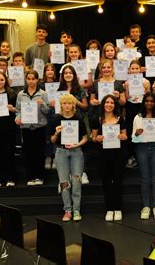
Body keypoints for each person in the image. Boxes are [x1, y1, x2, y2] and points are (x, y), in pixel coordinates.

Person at [50, 94, 88, 222]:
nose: (67, 105)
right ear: (61, 105)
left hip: (76, 151)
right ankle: (67, 210)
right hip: (61, 151)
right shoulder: (56, 119)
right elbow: (52, 140)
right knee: (64, 182)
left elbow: (85, 138)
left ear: (73, 105)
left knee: (76, 181)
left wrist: (77, 144)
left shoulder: (78, 119)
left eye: (69, 103)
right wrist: (56, 132)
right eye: (64, 103)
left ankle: (76, 209)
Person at [92, 95, 128, 221]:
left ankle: (118, 209)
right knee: (106, 182)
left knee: (118, 181)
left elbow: (125, 135)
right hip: (103, 155)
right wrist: (97, 139)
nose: (109, 104)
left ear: (115, 105)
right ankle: (109, 209)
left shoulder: (120, 119)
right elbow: (93, 137)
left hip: (118, 155)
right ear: (103, 104)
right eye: (107, 102)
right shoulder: (98, 119)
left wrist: (123, 137)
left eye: (112, 102)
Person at [132, 93, 155, 220]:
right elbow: (134, 139)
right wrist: (136, 134)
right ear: (143, 102)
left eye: (151, 101)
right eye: (147, 101)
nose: (149, 103)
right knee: (145, 178)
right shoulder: (138, 117)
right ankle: (146, 206)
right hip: (142, 148)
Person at [15, 70, 50, 186]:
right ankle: (30, 176)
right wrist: (18, 118)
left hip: (39, 127)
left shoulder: (43, 93)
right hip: (26, 127)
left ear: (37, 80)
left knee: (39, 153)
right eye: (29, 79)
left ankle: (39, 176)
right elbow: (18, 110)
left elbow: (47, 111)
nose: (31, 81)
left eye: (33, 79)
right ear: (26, 80)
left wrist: (43, 105)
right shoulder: (21, 94)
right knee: (28, 152)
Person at [124, 60, 151, 169]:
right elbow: (126, 98)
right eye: (132, 68)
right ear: (129, 70)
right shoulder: (127, 82)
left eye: (136, 68)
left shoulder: (145, 81)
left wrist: (146, 88)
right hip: (131, 107)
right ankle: (132, 157)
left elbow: (149, 98)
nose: (134, 70)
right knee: (131, 131)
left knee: (143, 129)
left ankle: (144, 156)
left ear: (140, 70)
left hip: (142, 107)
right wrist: (126, 88)